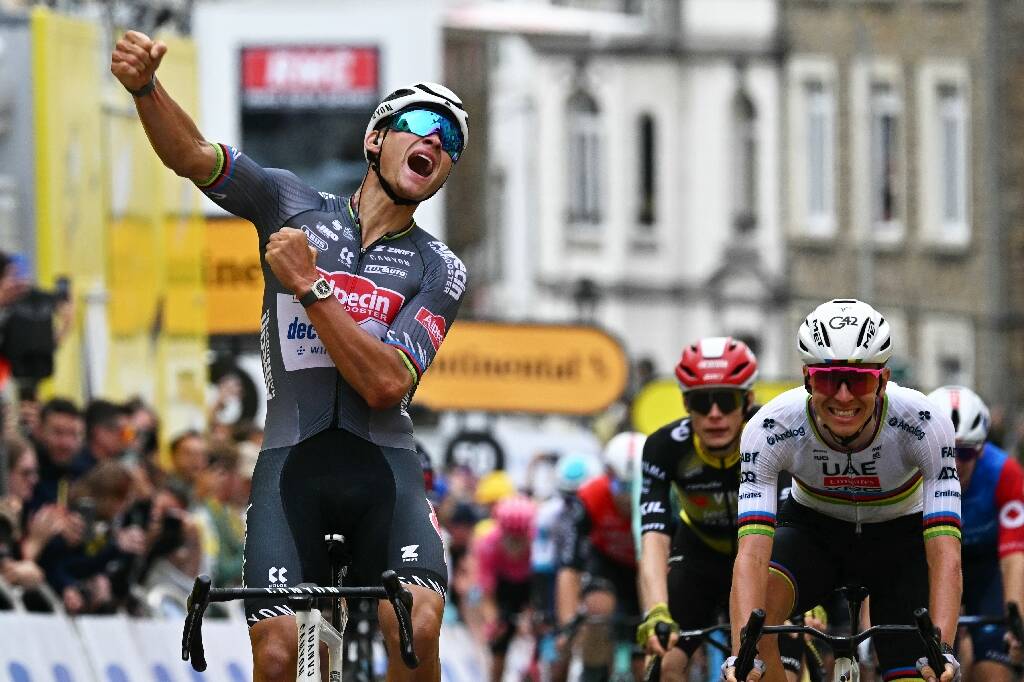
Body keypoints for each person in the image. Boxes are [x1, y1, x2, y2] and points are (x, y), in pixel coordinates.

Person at [111, 29, 469, 682]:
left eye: (451, 143)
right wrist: (144, 88)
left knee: (415, 628)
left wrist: (311, 286)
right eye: (420, 123)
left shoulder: (438, 268)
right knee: (275, 657)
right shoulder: (289, 205)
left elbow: (387, 383)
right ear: (374, 139)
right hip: (291, 467)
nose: (435, 143)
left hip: (382, 472)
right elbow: (192, 154)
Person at [724, 299, 962, 682]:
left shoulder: (923, 422)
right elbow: (750, 555)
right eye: (828, 380)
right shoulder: (769, 428)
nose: (844, 396)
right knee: (755, 624)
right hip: (812, 532)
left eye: (860, 380)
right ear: (806, 378)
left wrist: (945, 649)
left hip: (899, 542)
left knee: (926, 673)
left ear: (883, 380)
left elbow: (946, 554)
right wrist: (743, 655)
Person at [638, 337, 764, 681]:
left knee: (763, 669)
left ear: (748, 400)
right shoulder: (664, 447)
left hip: (765, 557)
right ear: (685, 404)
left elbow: (793, 523)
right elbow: (653, 537)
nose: (714, 414)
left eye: (726, 400)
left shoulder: (771, 436)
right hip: (698, 555)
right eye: (700, 402)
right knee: (666, 664)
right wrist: (657, 609)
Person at [927, 386, 1023, 681]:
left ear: (981, 449)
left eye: (965, 452)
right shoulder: (910, 472)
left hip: (985, 567)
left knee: (993, 672)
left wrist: (1017, 625)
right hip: (929, 565)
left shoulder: (1005, 472)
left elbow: (1014, 556)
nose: (954, 463)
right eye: (946, 452)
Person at [557, 431, 646, 682]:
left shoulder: (666, 494)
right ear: (608, 477)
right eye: (622, 486)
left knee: (646, 662)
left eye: (636, 486)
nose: (629, 497)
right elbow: (569, 566)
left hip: (647, 566)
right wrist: (568, 625)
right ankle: (593, 673)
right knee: (597, 608)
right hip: (607, 564)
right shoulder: (589, 496)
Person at [470, 494, 536, 682]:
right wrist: (494, 621)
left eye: (520, 539)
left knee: (540, 632)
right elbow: (487, 594)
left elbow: (542, 585)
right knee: (499, 646)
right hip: (502, 590)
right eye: (511, 538)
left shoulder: (537, 542)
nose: (515, 544)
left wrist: (532, 615)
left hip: (529, 586)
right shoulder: (488, 544)